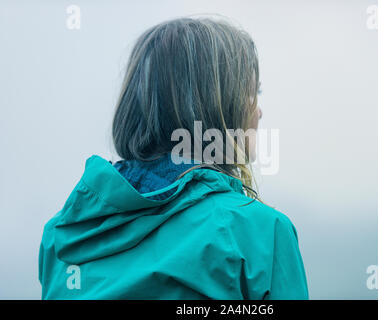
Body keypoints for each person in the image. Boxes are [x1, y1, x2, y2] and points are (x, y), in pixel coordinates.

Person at [38, 16, 308, 300]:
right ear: (218, 106)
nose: (259, 111)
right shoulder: (260, 232)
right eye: (253, 92)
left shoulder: (61, 235)